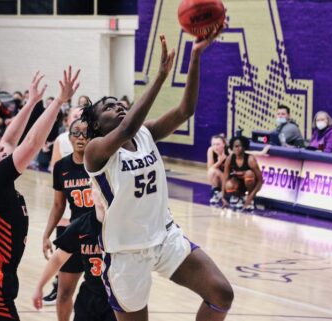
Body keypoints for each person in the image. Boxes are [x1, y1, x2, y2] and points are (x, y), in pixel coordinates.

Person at [82, 32, 233, 321]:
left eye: (118, 102)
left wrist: (195, 57)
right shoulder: (96, 151)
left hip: (164, 237)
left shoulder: (145, 133)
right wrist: (161, 76)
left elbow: (185, 110)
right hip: (125, 250)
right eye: (108, 107)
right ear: (96, 126)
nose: (117, 106)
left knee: (221, 293)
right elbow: (126, 128)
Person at [0, 67, 80, 321]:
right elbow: (31, 143)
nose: (0, 147)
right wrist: (58, 101)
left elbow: (9, 141)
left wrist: (32, 102)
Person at [40, 119, 103, 321]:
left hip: (100, 233)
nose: (81, 137)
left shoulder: (101, 164)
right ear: (69, 138)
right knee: (64, 292)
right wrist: (46, 234)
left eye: (85, 133)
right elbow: (58, 205)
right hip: (74, 233)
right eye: (76, 133)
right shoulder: (61, 167)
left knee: (101, 291)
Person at [32, 208, 115, 321]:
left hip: (116, 298)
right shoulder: (82, 224)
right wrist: (39, 286)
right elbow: (58, 258)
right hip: (89, 297)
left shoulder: (124, 224)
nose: (101, 196)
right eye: (97, 191)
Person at [220, 136, 264, 211]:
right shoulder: (230, 158)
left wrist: (250, 198)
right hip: (239, 183)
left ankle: (250, 199)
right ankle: (240, 197)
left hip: (251, 184)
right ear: (232, 147)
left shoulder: (250, 159)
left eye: (240, 146)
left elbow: (260, 181)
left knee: (249, 174)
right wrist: (223, 197)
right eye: (235, 146)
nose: (237, 148)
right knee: (229, 185)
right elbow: (225, 177)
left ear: (244, 147)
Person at [207, 134, 229, 205]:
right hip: (220, 177)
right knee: (211, 171)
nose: (215, 147)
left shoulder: (229, 151)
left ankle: (232, 193)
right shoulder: (211, 150)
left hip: (229, 177)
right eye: (213, 144)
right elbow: (210, 168)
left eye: (218, 144)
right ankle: (216, 192)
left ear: (224, 144)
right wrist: (219, 162)